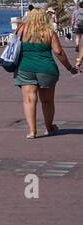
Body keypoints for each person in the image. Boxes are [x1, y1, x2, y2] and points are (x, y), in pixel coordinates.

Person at [14, 8, 78, 138]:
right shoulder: (49, 32)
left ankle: (32, 131)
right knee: (47, 101)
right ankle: (49, 128)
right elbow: (58, 52)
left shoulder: (21, 30)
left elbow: (13, 46)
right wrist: (69, 68)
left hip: (25, 68)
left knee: (29, 100)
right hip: (46, 69)